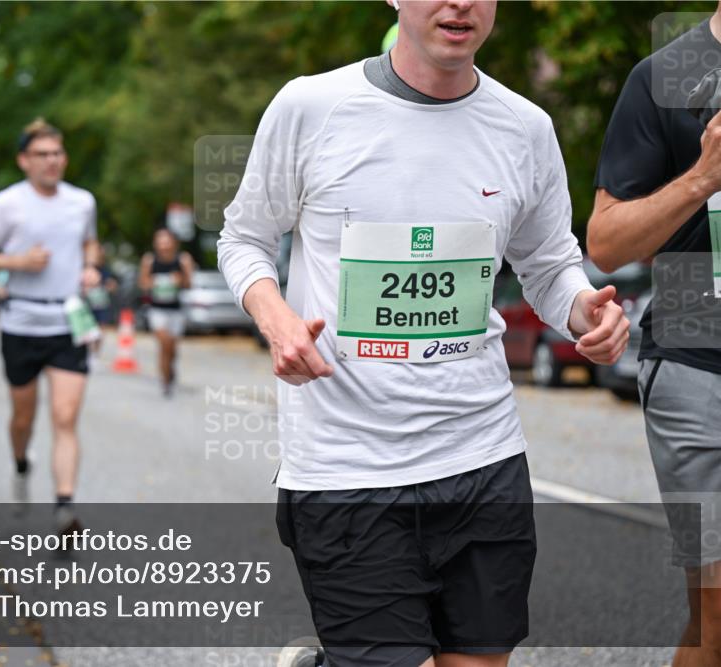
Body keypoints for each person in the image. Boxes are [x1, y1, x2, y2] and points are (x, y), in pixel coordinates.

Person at [217, 2, 629, 666]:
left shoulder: (525, 127)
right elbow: (243, 239)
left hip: (481, 456)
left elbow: (550, 264)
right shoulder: (311, 108)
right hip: (347, 467)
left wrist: (588, 311)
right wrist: (278, 321)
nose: (459, 4)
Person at [587, 6, 721, 665]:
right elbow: (606, 243)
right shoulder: (668, 75)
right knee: (719, 615)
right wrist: (703, 177)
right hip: (701, 373)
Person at [0, 118, 100, 530]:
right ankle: (21, 466)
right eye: (41, 154)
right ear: (24, 161)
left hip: (67, 320)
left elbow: (89, 241)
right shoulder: (8, 203)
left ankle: (64, 506)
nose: (51, 161)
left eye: (57, 153)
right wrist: (17, 262)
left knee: (64, 417)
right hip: (21, 321)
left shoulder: (82, 202)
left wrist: (91, 266)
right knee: (23, 419)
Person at [139, 228, 194, 397]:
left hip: (176, 310)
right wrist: (153, 282)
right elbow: (142, 284)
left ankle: (170, 369)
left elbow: (188, 284)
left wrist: (180, 280)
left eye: (166, 241)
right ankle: (165, 382)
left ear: (173, 243)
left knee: (172, 347)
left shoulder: (183, 259)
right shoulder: (149, 260)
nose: (163, 245)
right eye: (160, 241)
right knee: (164, 343)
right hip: (157, 310)